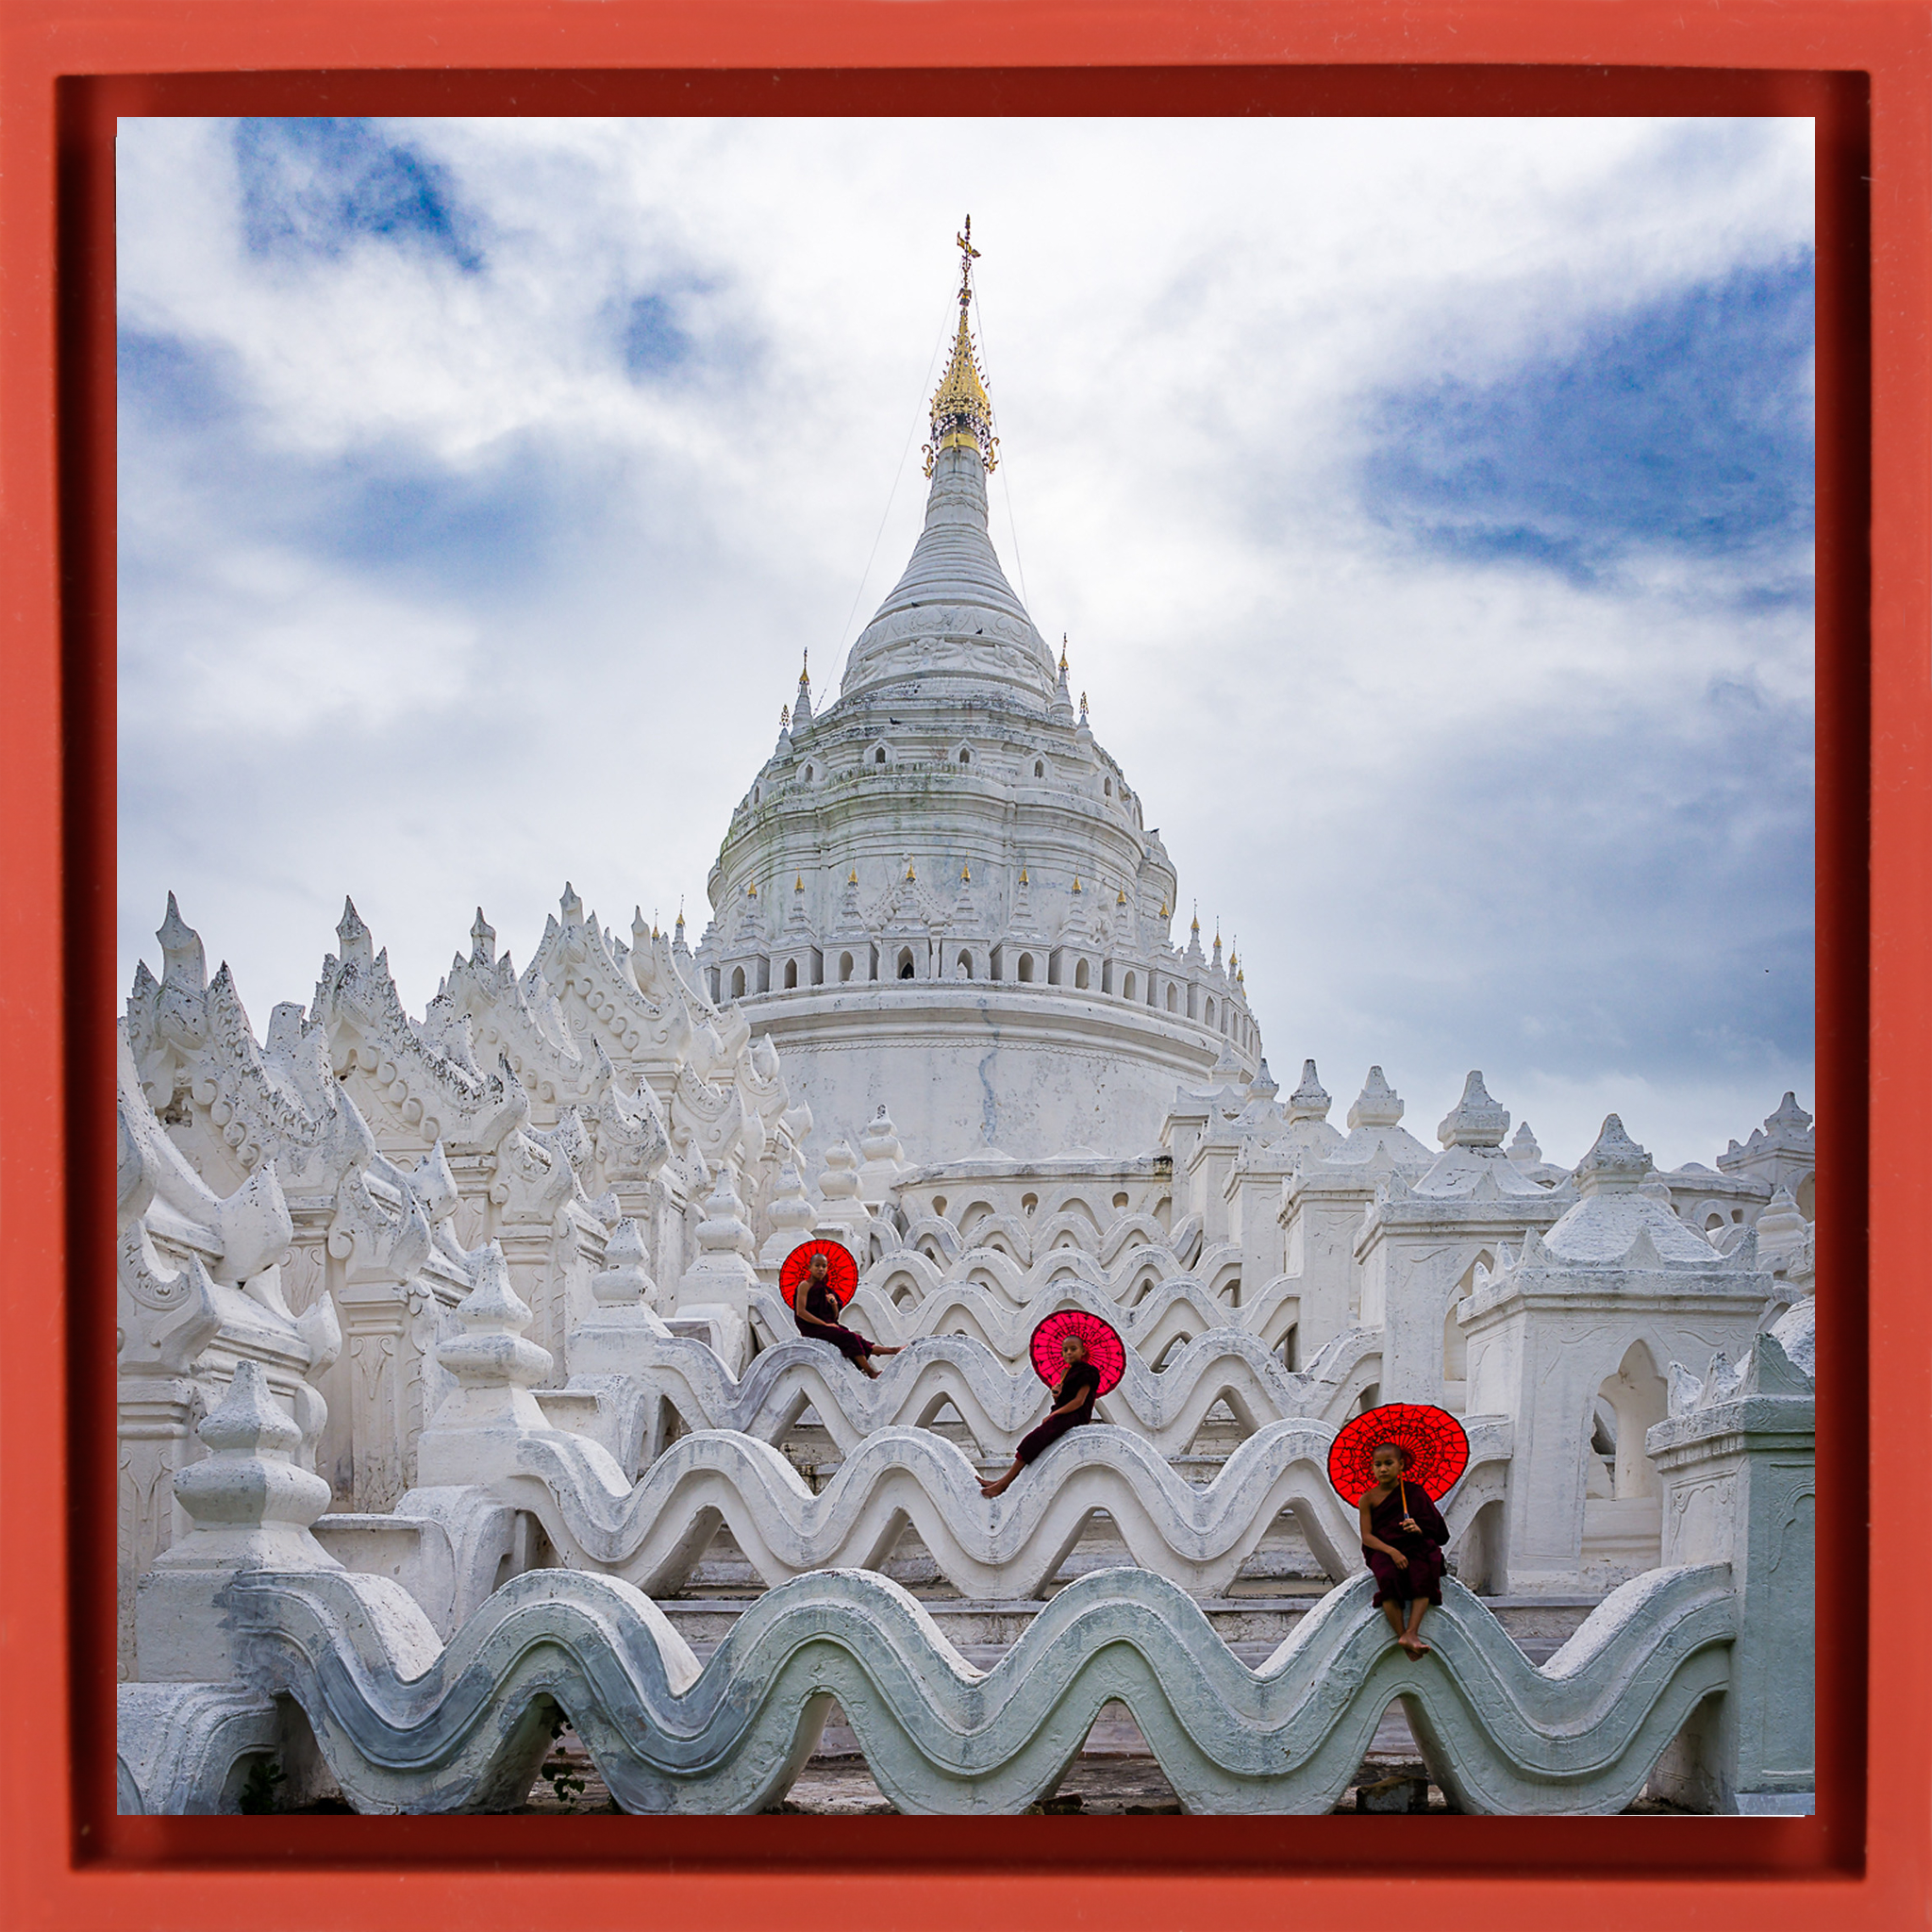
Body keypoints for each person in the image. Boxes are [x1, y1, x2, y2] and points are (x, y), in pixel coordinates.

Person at [1358, 1441, 1450, 1657]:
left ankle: (1412, 1632)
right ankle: (1403, 1635)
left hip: (1413, 1545)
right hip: (1382, 1549)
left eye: (1389, 1463)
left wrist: (1417, 1529)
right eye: (1377, 1464)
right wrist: (1392, 1552)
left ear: (1401, 1465)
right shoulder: (1368, 1499)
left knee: (1424, 1571)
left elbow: (1438, 1532)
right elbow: (1367, 1536)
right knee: (1388, 1576)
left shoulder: (1414, 1493)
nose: (1382, 1469)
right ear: (1372, 1467)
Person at [979, 1333, 1100, 1497]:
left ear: (1083, 1351)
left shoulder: (1088, 1372)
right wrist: (1057, 1395)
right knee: (1032, 1441)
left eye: (1073, 1349)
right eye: (1065, 1350)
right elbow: (1065, 1399)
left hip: (1076, 1417)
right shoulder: (1066, 1372)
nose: (1069, 1353)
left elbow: (1079, 1402)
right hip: (1063, 1414)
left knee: (1034, 1440)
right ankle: (1002, 1481)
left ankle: (1003, 1484)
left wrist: (1054, 1414)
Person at [792, 1249, 901, 1379]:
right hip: (812, 1327)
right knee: (850, 1339)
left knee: (859, 1339)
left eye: (824, 1266)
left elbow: (834, 1317)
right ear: (810, 1268)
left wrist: (833, 1304)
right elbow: (801, 1312)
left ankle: (894, 1350)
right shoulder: (805, 1285)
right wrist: (825, 1325)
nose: (821, 1269)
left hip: (826, 1325)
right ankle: (871, 1372)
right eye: (817, 1265)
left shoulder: (826, 1289)